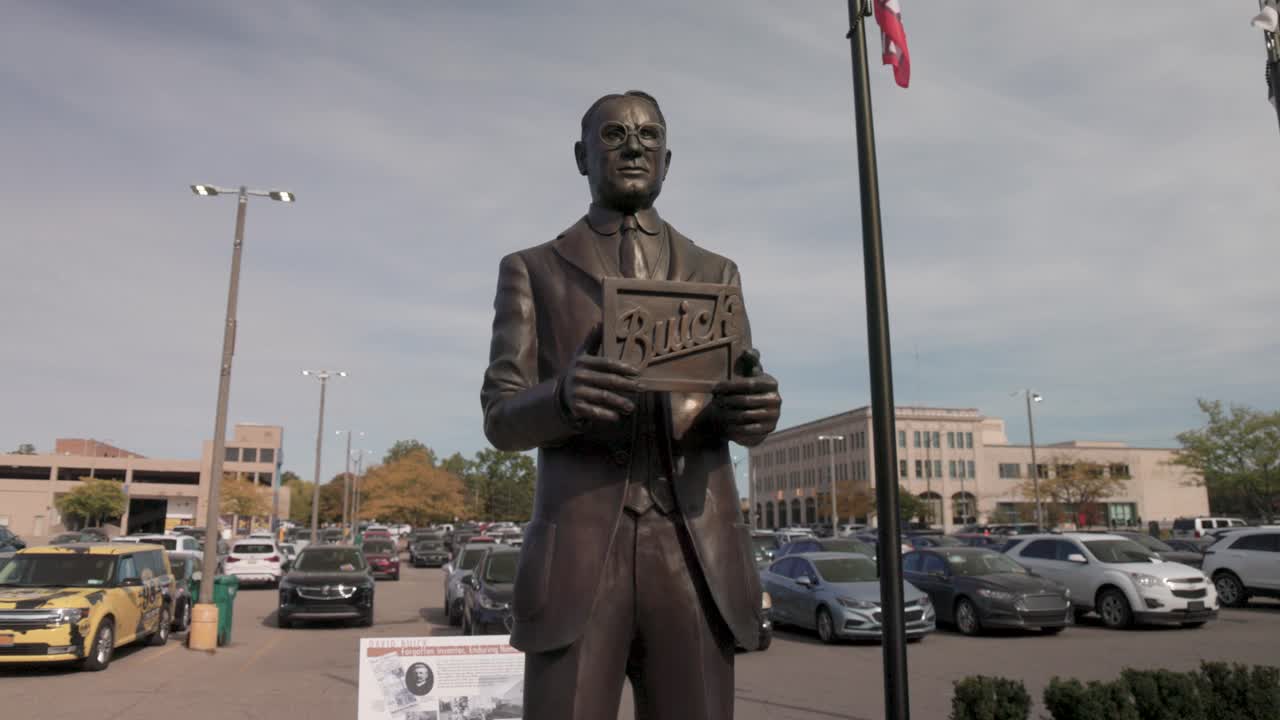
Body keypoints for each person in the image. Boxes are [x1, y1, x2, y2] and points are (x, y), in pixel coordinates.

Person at [481, 90, 782, 720]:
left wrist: (752, 414)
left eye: (649, 136)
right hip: (578, 558)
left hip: (696, 553)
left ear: (667, 160)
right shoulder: (533, 270)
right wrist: (562, 397)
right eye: (614, 135)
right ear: (581, 156)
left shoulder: (716, 273)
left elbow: (736, 393)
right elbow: (500, 416)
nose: (634, 147)